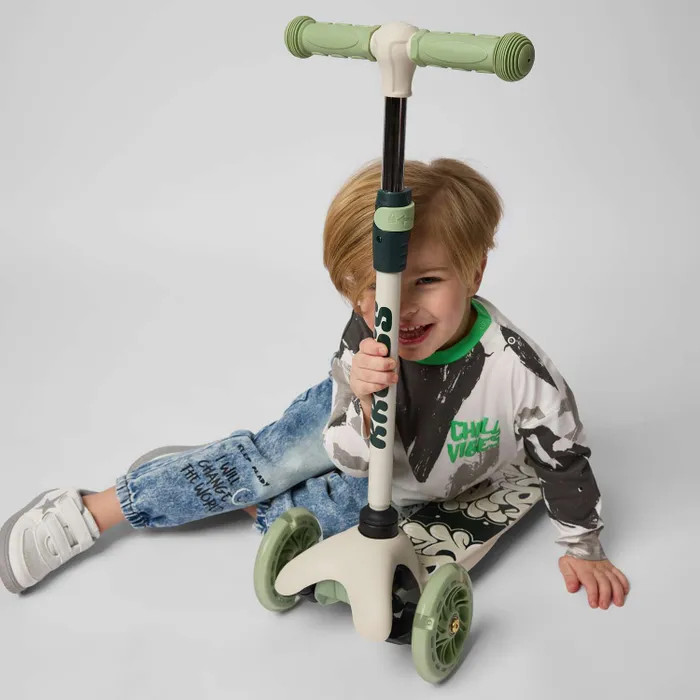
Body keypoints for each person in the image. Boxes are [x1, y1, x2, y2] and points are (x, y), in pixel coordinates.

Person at [0, 158, 629, 609]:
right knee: (273, 463)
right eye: (377, 289)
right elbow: (348, 453)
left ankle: (210, 482)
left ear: (476, 270)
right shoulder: (370, 332)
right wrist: (365, 398)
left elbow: (564, 459)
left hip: (404, 485)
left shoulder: (520, 373)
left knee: (316, 520)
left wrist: (585, 548)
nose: (401, 308)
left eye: (428, 281)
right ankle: (96, 509)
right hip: (346, 420)